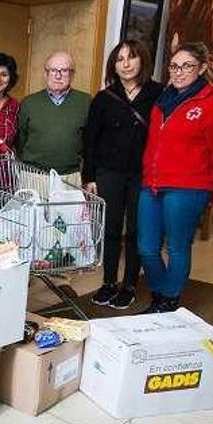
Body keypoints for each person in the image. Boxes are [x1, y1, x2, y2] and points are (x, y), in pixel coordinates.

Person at [138, 42, 213, 313]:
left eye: (186, 66)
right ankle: (160, 292)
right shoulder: (162, 101)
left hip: (188, 188)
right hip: (151, 184)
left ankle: (168, 300)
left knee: (177, 246)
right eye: (174, 66)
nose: (178, 72)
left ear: (201, 68)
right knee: (147, 248)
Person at [83, 40, 164, 310]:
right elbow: (90, 141)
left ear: (143, 61)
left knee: (137, 231)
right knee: (111, 228)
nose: (126, 64)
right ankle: (108, 282)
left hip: (144, 174)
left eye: (131, 58)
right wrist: (89, 177)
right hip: (109, 172)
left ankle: (129, 285)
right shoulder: (104, 98)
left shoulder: (159, 94)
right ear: (113, 65)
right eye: (119, 59)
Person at [16, 51, 90, 189]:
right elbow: (20, 139)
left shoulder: (86, 102)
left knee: (68, 212)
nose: (58, 75)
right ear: (45, 74)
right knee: (31, 211)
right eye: (53, 70)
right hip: (33, 176)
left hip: (70, 177)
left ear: (72, 75)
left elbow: (90, 141)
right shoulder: (29, 103)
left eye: (64, 70)